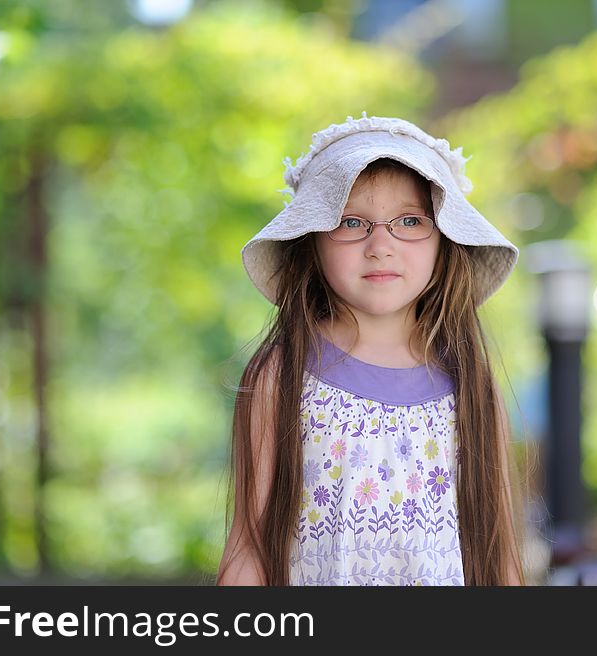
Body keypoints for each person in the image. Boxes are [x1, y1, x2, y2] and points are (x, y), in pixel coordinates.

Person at [217, 113, 525, 586]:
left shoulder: (472, 390)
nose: (380, 245)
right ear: (312, 241)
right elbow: (248, 550)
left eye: (409, 221)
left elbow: (500, 560)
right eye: (351, 221)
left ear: (445, 241)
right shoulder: (282, 378)